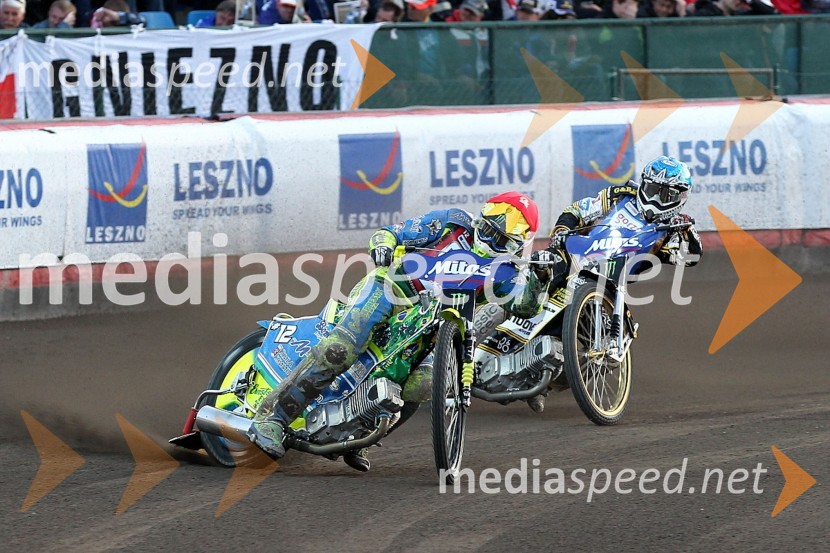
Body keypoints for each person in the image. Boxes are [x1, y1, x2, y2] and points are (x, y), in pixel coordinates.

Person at [248, 192, 551, 471]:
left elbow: (526, 306)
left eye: (499, 238)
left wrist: (540, 276)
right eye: (487, 229)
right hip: (390, 290)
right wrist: (383, 246)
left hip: (435, 325)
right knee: (340, 349)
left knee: (422, 384)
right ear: (479, 219)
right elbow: (393, 232)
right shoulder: (452, 224)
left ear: (515, 245)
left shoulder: (507, 272)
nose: (488, 240)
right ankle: (272, 418)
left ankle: (360, 434)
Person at [531, 156, 702, 413]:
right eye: (654, 191)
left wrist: (685, 231)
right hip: (579, 256)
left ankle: (543, 381)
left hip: (610, 286)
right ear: (644, 185)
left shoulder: (674, 228)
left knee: (598, 351)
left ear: (680, 198)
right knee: (539, 278)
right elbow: (577, 210)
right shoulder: (620, 194)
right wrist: (560, 233)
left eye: (666, 195)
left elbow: (692, 257)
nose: (657, 200)